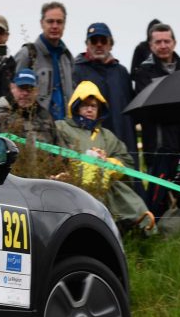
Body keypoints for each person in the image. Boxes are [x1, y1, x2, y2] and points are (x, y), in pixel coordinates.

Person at [55, 81, 155, 231]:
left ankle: (136, 230)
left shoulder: (107, 136)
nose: (89, 109)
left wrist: (108, 162)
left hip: (107, 186)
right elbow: (55, 155)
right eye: (85, 105)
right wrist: (84, 163)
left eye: (93, 106)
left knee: (133, 204)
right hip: (73, 185)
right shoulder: (61, 127)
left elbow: (127, 162)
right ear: (75, 107)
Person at [132, 23, 180, 203]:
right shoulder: (144, 73)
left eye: (166, 41)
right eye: (158, 42)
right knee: (157, 198)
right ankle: (155, 227)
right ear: (151, 45)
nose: (163, 46)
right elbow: (149, 108)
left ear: (174, 43)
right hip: (159, 147)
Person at [72, 23, 136, 161]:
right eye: (94, 41)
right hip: (92, 141)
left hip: (122, 138)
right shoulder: (77, 71)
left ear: (110, 44)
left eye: (103, 40)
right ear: (87, 44)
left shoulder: (122, 72)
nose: (99, 45)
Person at [14, 1, 74, 121]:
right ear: (42, 23)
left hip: (64, 130)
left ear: (64, 25)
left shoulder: (67, 58)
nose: (55, 26)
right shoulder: (28, 54)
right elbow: (12, 91)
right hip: (35, 128)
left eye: (59, 22)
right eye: (50, 21)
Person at [0, 68, 56, 144]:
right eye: (21, 88)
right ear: (12, 87)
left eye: (30, 89)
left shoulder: (45, 117)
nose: (25, 93)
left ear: (37, 91)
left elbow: (58, 148)